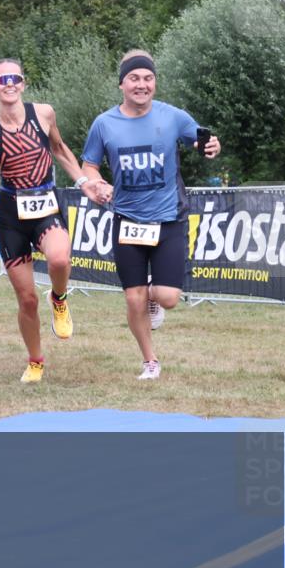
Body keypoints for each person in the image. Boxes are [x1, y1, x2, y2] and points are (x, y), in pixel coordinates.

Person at [0, 58, 112, 383]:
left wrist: (84, 182)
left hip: (46, 205)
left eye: (14, 78)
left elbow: (59, 149)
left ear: (23, 83)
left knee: (59, 258)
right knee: (26, 299)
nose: (9, 84)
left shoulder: (44, 113)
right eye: (2, 80)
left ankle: (58, 297)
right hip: (11, 217)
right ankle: (35, 361)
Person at [81, 49, 220, 380]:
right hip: (127, 220)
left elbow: (202, 142)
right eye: (134, 79)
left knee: (167, 297)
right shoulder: (104, 124)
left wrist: (212, 146)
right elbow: (89, 165)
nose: (141, 85)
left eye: (147, 78)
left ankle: (155, 300)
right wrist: (97, 183)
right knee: (133, 299)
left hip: (168, 219)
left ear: (154, 83)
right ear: (122, 84)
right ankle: (150, 361)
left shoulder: (172, 117)